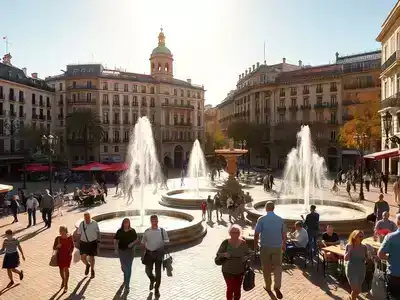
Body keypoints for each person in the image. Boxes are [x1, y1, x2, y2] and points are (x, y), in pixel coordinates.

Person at [254, 201, 285, 299]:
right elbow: (284, 234)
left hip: (265, 247)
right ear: (274, 208)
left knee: (266, 267)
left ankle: (268, 286)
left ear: (266, 209)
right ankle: (277, 286)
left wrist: (255, 245)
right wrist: (284, 244)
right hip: (277, 246)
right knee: (277, 267)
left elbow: (256, 234)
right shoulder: (280, 219)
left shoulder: (261, 219)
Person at [216, 224, 250, 300]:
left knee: (237, 289)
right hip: (228, 270)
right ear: (230, 233)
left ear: (239, 233)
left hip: (240, 270)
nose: (235, 234)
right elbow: (218, 254)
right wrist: (224, 254)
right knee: (230, 288)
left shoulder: (243, 243)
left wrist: (246, 257)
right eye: (233, 232)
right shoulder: (225, 242)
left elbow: (248, 254)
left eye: (237, 232)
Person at [141, 215, 170, 298]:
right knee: (148, 271)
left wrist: (163, 243)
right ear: (151, 221)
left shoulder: (162, 230)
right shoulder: (147, 231)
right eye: (153, 220)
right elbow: (143, 243)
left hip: (158, 254)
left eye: (156, 220)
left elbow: (167, 240)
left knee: (158, 274)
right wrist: (142, 254)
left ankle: (157, 289)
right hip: (149, 254)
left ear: (158, 221)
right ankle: (152, 279)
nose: (155, 222)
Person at [378, 213, 400, 300]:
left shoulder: (390, 237)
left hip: (394, 274)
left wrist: (390, 258)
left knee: (393, 297)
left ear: (398, 222)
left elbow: (380, 254)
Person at [114, 218, 140, 293]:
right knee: (125, 268)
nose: (126, 224)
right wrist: (115, 248)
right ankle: (124, 273)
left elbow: (137, 239)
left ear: (129, 223)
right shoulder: (120, 231)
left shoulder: (132, 231)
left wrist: (132, 243)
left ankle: (127, 284)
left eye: (127, 223)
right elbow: (115, 240)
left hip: (130, 252)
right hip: (121, 251)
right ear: (123, 223)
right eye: (125, 223)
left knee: (128, 268)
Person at [344, 230, 367, 300]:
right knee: (355, 289)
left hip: (361, 269)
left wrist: (368, 258)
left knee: (358, 290)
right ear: (354, 237)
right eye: (359, 236)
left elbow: (365, 257)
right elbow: (346, 258)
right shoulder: (349, 246)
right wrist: (350, 250)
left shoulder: (364, 247)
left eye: (362, 236)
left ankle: (351, 298)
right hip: (352, 269)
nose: (361, 237)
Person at [77, 212, 100, 279]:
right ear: (84, 218)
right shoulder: (82, 224)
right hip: (84, 243)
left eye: (88, 217)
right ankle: (87, 265)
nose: (87, 219)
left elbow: (98, 232)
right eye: (86, 217)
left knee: (92, 257)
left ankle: (92, 270)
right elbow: (79, 233)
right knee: (82, 258)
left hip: (93, 242)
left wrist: (98, 241)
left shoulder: (94, 223)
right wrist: (78, 242)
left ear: (90, 217)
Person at [53, 226, 74, 293]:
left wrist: (71, 251)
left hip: (67, 256)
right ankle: (63, 279)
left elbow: (72, 246)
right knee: (61, 269)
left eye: (63, 231)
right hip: (60, 256)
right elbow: (54, 248)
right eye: (61, 231)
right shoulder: (58, 238)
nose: (62, 233)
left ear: (66, 231)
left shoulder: (70, 237)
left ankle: (66, 285)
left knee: (66, 269)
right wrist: (57, 246)